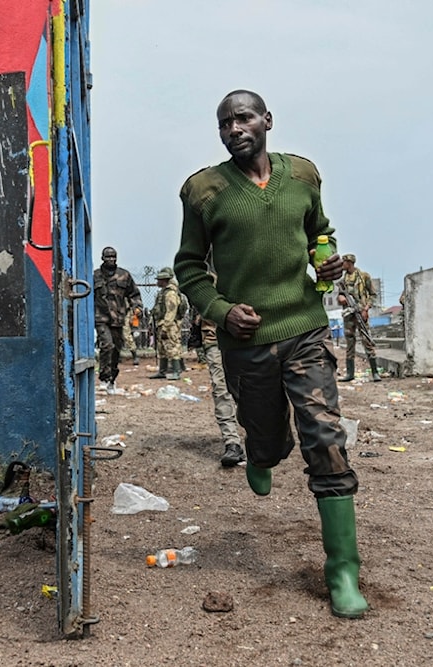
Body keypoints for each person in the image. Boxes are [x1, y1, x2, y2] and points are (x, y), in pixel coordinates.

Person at [173, 89, 368, 618]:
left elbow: (318, 236)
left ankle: (342, 571)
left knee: (325, 437)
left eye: (243, 118)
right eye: (224, 123)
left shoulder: (302, 176)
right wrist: (220, 309)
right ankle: (262, 454)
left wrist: (327, 263)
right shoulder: (204, 191)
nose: (235, 128)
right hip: (247, 342)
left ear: (267, 121)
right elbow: (188, 267)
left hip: (303, 326)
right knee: (265, 435)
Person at [191, 286, 246, 468]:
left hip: (246, 338)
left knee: (247, 389)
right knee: (220, 389)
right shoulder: (205, 278)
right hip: (214, 339)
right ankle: (232, 442)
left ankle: (257, 438)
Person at [93, 246, 143, 391]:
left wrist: (137, 307)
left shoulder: (124, 275)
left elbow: (134, 294)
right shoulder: (95, 276)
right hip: (101, 317)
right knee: (107, 345)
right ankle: (104, 376)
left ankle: (112, 378)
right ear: (102, 258)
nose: (111, 259)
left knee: (116, 349)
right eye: (108, 257)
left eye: (113, 257)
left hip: (118, 318)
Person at [337, 254, 380, 382]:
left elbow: (373, 295)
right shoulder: (343, 280)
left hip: (361, 313)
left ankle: (375, 372)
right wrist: (341, 298)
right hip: (348, 315)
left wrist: (366, 309)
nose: (342, 265)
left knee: (367, 340)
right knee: (350, 342)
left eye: (343, 262)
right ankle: (350, 373)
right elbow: (339, 296)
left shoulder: (364, 276)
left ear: (349, 263)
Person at [149, 267, 183, 380]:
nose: (157, 282)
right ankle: (162, 371)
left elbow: (171, 311)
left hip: (170, 325)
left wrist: (166, 327)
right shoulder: (163, 293)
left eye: (159, 280)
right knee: (162, 349)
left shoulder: (170, 294)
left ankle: (176, 371)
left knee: (172, 347)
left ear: (164, 280)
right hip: (161, 323)